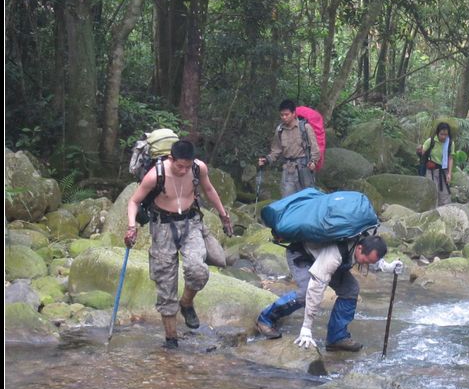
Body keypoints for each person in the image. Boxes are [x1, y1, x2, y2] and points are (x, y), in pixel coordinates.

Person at [124, 140, 233, 349]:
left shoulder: (197, 168)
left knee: (198, 270)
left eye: (187, 166)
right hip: (162, 226)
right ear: (171, 159)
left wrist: (223, 215)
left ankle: (186, 302)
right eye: (179, 166)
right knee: (165, 282)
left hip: (191, 224)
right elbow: (134, 201)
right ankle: (171, 340)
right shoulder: (156, 175)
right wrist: (131, 227)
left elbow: (209, 190)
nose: (183, 170)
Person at [255, 235, 403, 352]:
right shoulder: (335, 255)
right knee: (306, 293)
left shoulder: (364, 238)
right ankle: (265, 319)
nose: (366, 264)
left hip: (325, 258)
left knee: (350, 290)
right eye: (366, 260)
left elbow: (372, 258)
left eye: (370, 262)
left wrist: (387, 267)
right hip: (302, 255)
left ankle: (336, 338)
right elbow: (316, 289)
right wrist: (306, 328)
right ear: (359, 248)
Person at [258, 99, 320, 197]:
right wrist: (266, 159)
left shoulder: (305, 128)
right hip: (288, 170)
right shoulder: (280, 130)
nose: (284, 117)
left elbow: (315, 148)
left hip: (304, 169)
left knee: (306, 198)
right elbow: (276, 150)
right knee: (287, 199)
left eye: (287, 114)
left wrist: (313, 161)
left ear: (293, 113)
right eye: (282, 115)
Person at [417, 122, 455, 206]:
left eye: (446, 134)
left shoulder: (450, 143)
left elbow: (450, 158)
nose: (444, 137)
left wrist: (449, 173)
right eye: (442, 134)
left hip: (443, 171)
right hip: (431, 170)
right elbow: (422, 153)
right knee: (433, 192)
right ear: (437, 133)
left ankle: (444, 213)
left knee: (445, 194)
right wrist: (419, 151)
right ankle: (432, 212)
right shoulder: (431, 141)